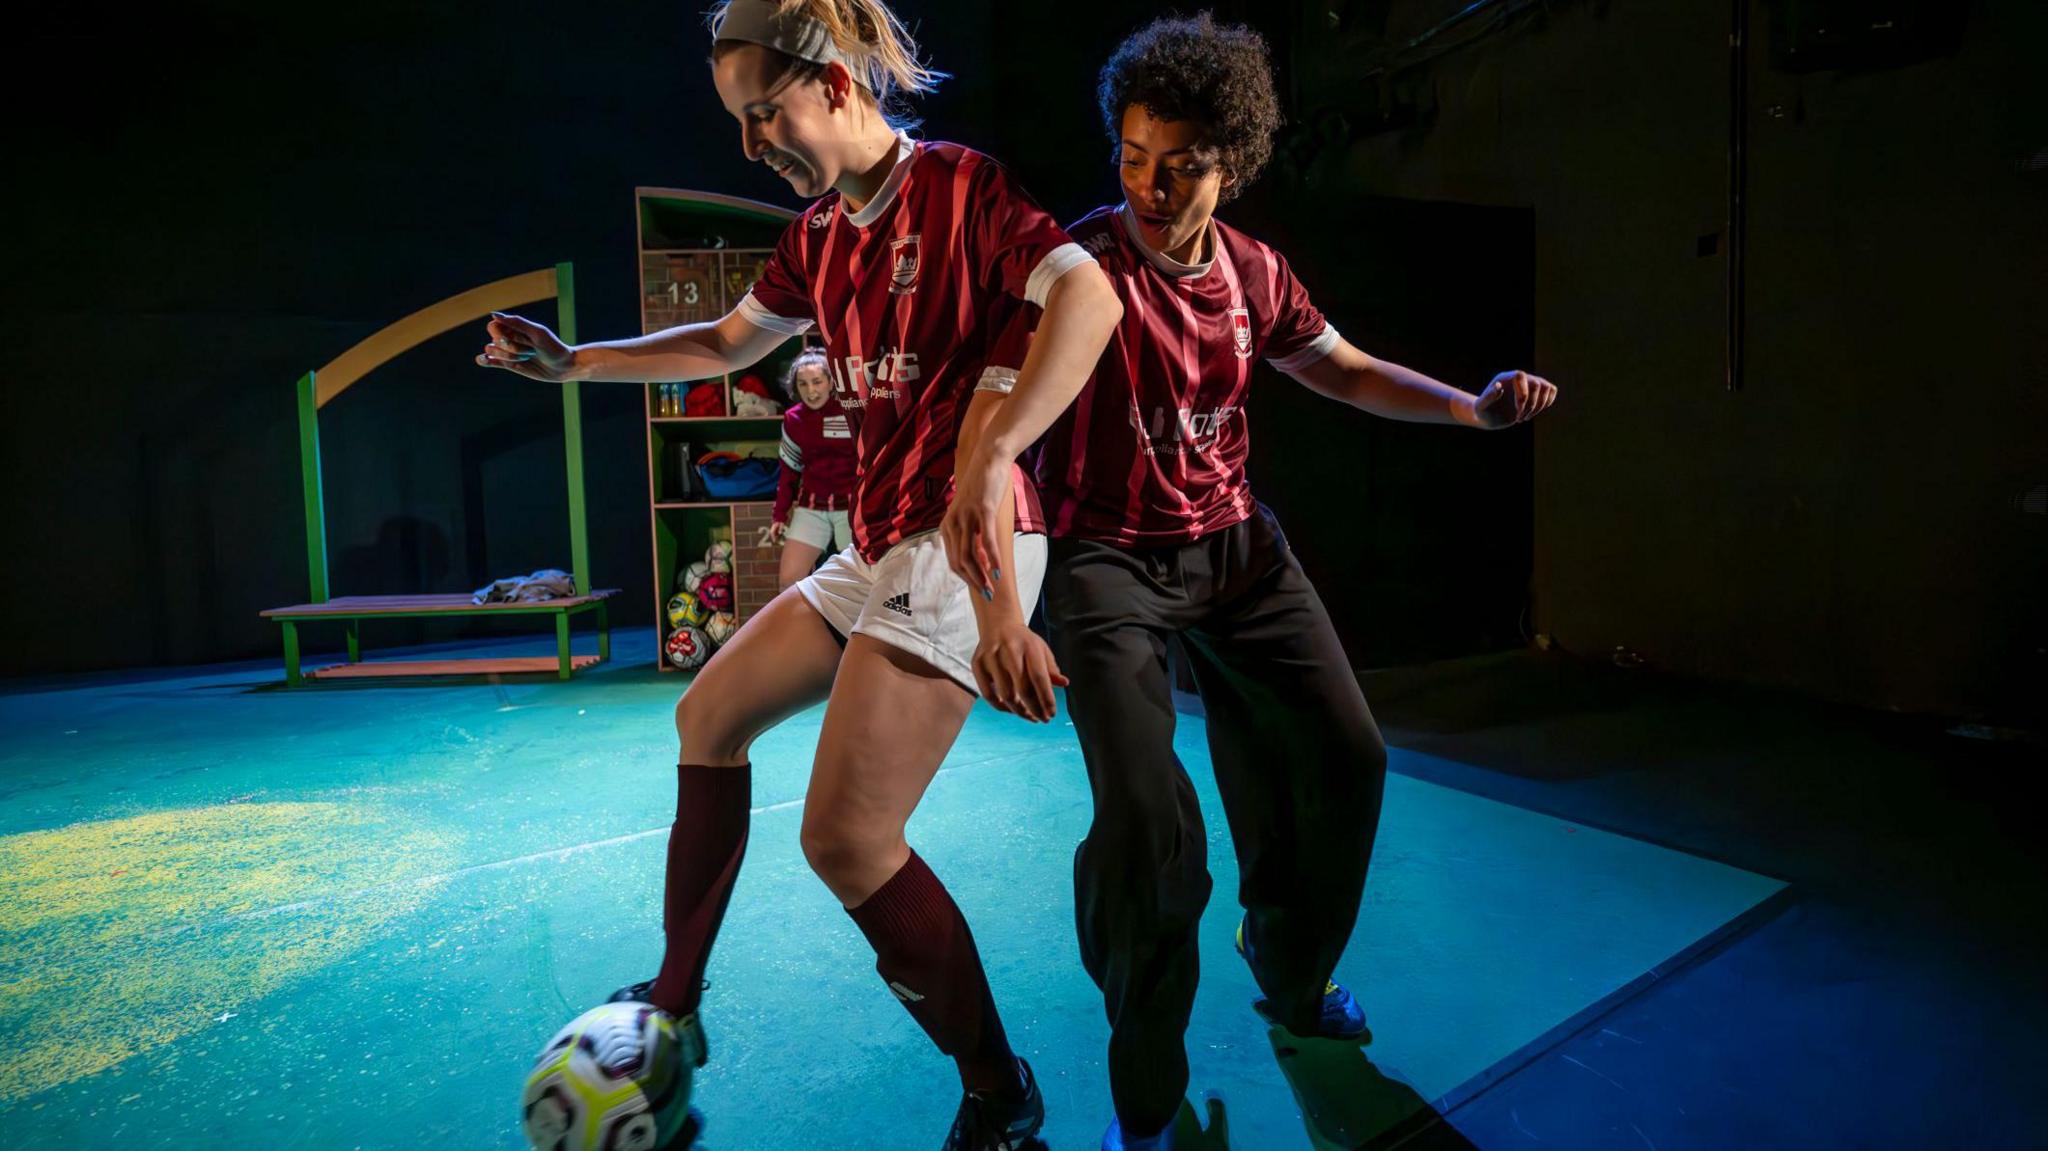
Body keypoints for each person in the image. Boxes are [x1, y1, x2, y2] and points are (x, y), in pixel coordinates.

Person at [478, 2, 1122, 1146]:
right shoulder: (819, 235)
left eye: (762, 113)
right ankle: (672, 1003)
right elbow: (727, 343)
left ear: (832, 83)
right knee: (707, 710)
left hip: (961, 539)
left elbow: (1087, 295)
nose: (750, 144)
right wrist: (574, 363)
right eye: (737, 121)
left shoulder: (962, 188)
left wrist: (1000, 448)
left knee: (844, 837)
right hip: (878, 539)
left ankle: (996, 1086)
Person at [941, 14, 1558, 1149]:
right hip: (1103, 560)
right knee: (1142, 821)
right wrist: (995, 609)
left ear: (1232, 162)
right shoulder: (1079, 274)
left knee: (1349, 755)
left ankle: (1284, 961)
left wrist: (1469, 407)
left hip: (1234, 550)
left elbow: (1353, 373)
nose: (1152, 187)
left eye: (1180, 166)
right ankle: (1145, 1082)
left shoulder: (1257, 274)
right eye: (1132, 159)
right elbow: (991, 446)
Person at [769, 348, 858, 589]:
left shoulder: (850, 411)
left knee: (859, 583)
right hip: (811, 508)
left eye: (817, 381)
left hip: (850, 507)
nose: (811, 390)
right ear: (795, 387)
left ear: (831, 383)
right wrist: (779, 514)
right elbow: (789, 470)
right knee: (788, 581)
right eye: (803, 384)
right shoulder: (793, 419)